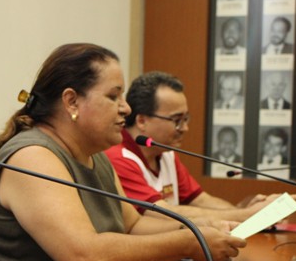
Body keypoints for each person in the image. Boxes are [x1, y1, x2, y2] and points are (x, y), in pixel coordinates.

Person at [0, 44, 246, 261]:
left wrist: (201, 229)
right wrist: (188, 243)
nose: (125, 108)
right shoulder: (32, 156)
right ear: (72, 102)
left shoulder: (96, 157)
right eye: (114, 96)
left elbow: (132, 226)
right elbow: (86, 257)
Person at [106, 71, 283, 222]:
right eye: (176, 120)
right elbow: (161, 212)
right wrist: (245, 215)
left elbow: (199, 199)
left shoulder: (165, 153)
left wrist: (241, 212)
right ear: (142, 121)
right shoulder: (118, 158)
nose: (185, 128)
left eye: (185, 119)